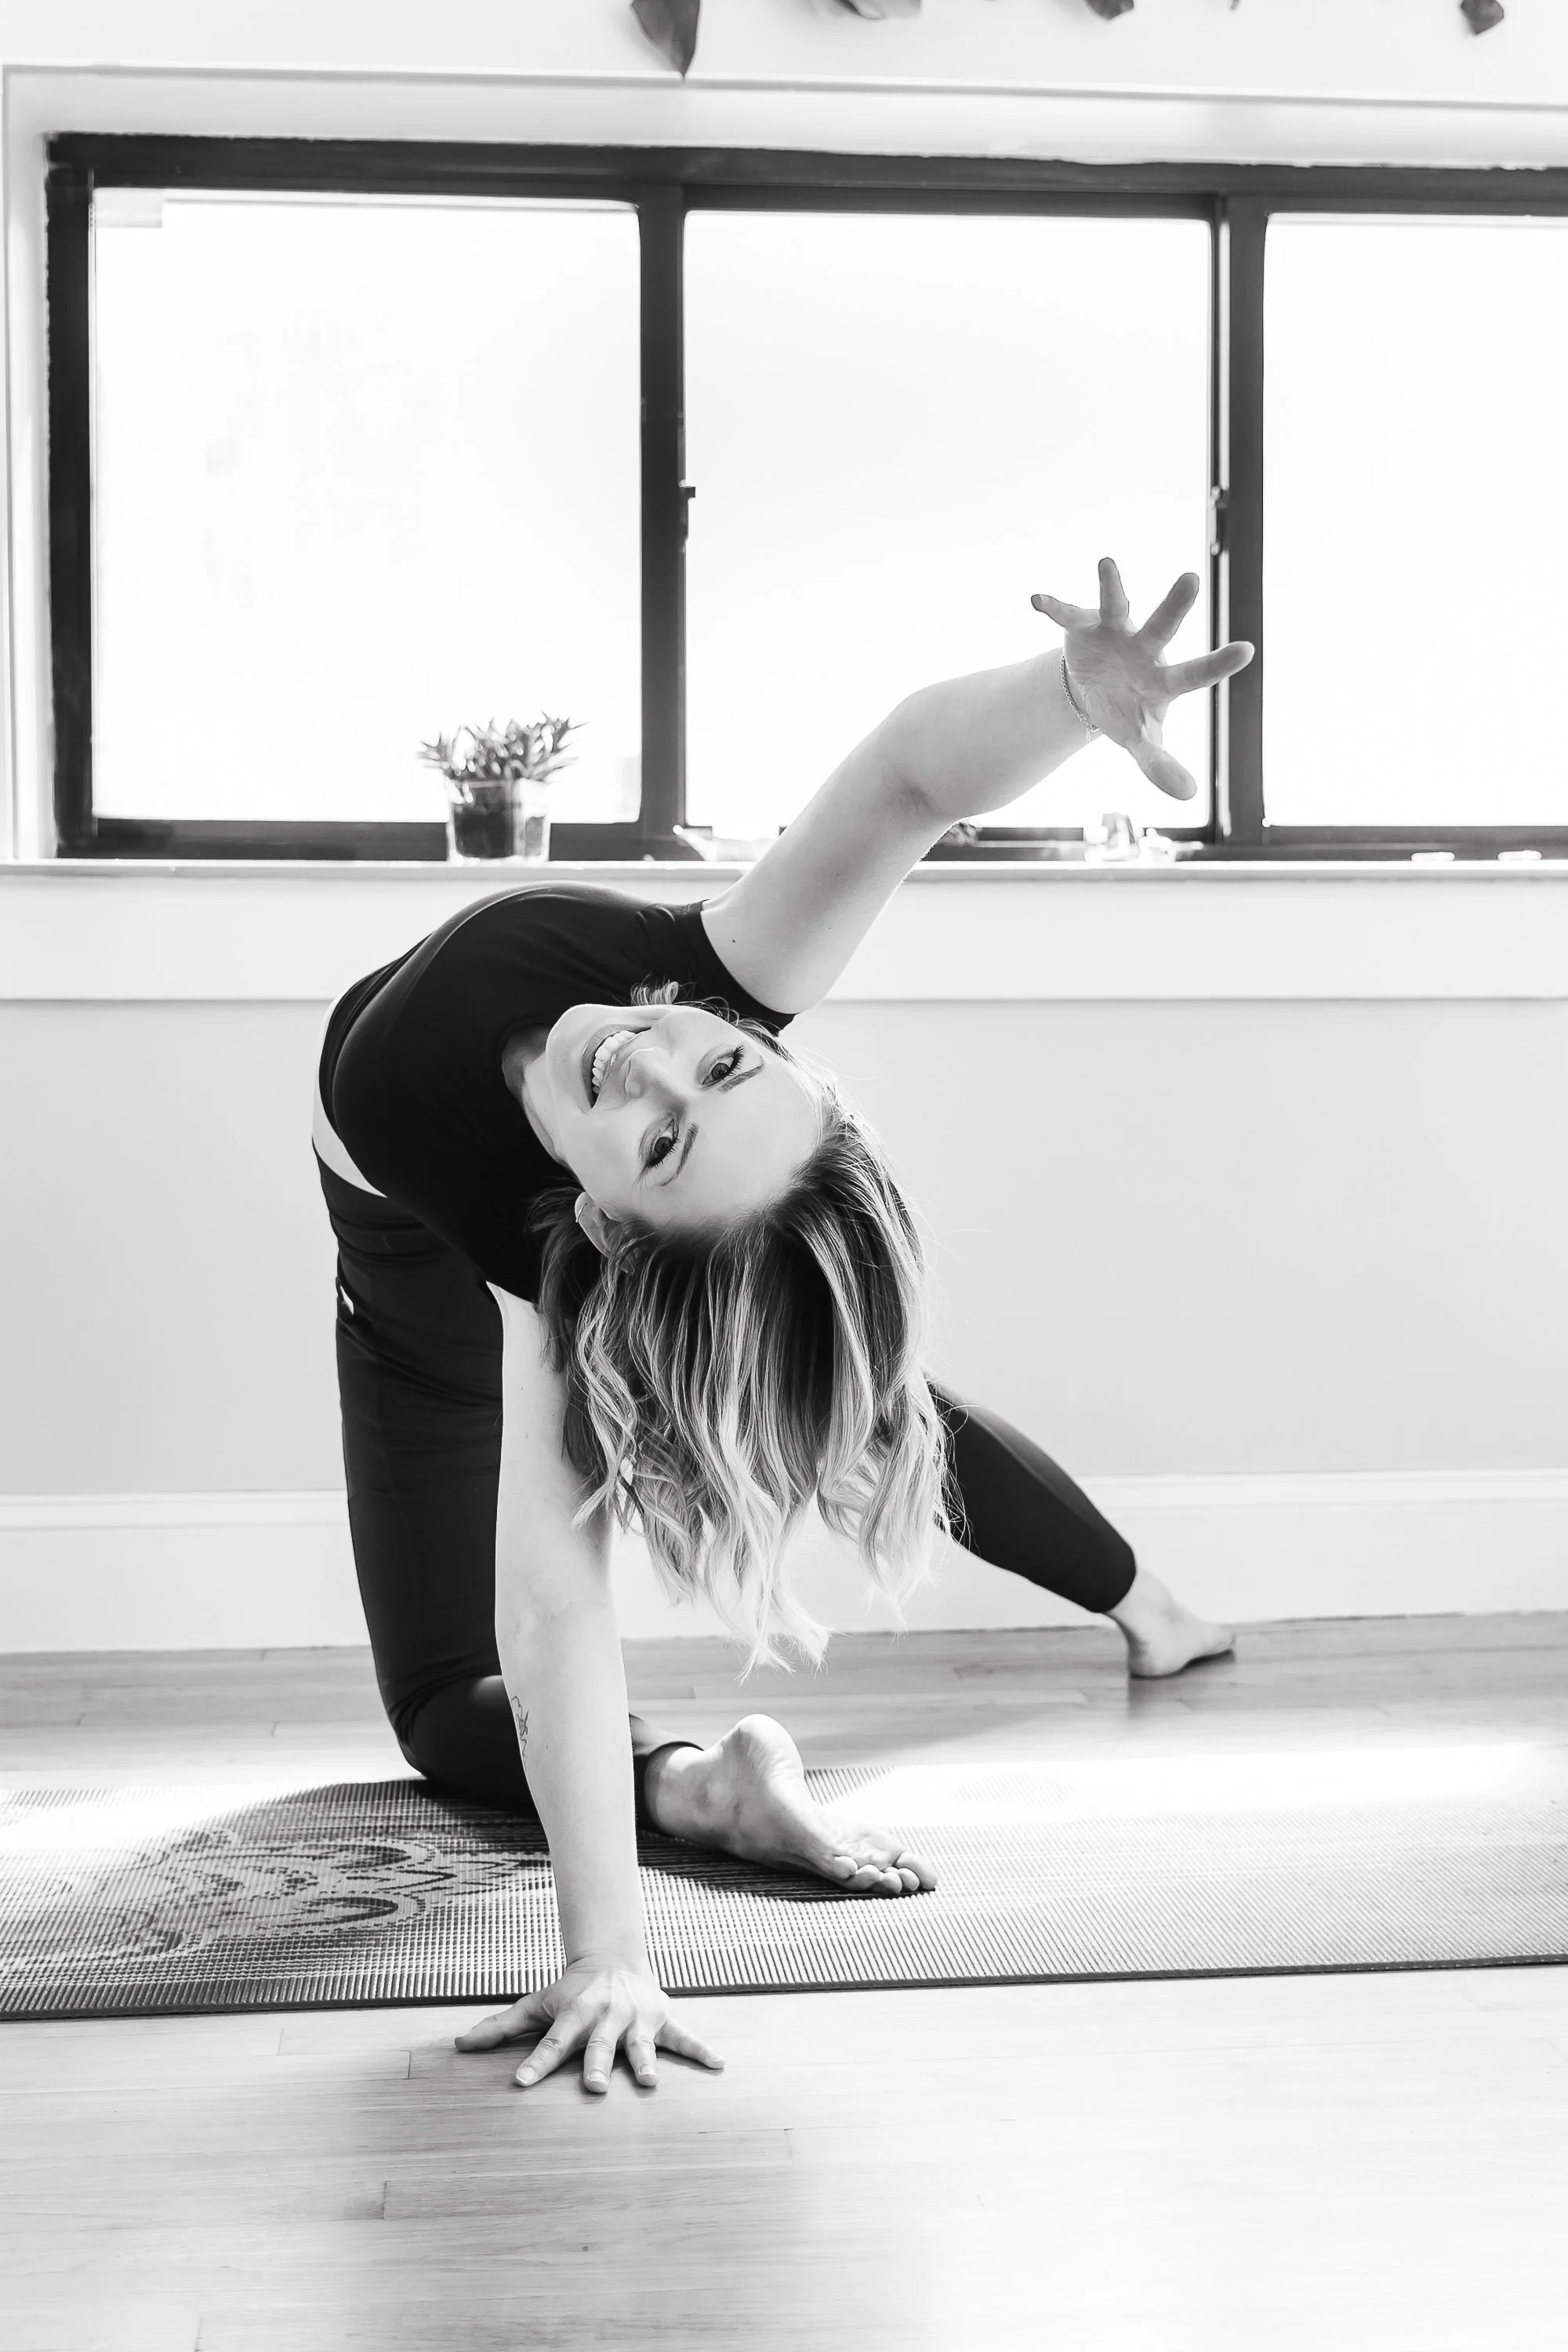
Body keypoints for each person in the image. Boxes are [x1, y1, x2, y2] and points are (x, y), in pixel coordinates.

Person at [311, 559, 1254, 2096]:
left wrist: (608, 1953)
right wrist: (1071, 700)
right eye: (726, 1073)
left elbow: (554, 1616)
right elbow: (901, 781)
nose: (654, 1067)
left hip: (412, 1263)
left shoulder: (544, 1267)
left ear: (611, 1226)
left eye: (668, 1140)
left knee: (442, 1709)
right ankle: (1153, 1610)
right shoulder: (721, 980)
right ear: (766, 1047)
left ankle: (701, 1791)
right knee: (846, 1385)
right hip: (444, 1239)